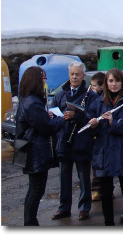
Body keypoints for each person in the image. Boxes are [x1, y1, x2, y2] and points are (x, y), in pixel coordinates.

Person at [87, 68, 123, 226]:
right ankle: (108, 224)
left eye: (117, 81)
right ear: (106, 83)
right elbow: (89, 122)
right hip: (104, 151)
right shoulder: (98, 102)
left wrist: (114, 123)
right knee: (105, 192)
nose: (114, 84)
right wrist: (93, 125)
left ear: (122, 82)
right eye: (110, 81)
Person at [51, 62, 98, 221]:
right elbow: (53, 112)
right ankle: (64, 208)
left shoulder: (91, 95)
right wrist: (55, 116)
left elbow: (94, 115)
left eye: (78, 74)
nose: (74, 77)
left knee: (83, 177)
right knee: (64, 177)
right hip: (65, 139)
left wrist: (76, 116)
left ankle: (84, 208)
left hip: (82, 140)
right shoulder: (60, 95)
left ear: (83, 76)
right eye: (72, 74)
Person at [17, 66, 62, 226]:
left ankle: (30, 222)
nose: (45, 81)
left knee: (35, 189)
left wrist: (45, 115)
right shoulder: (33, 102)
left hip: (31, 149)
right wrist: (61, 120)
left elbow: (38, 121)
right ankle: (30, 223)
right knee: (36, 190)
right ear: (36, 79)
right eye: (43, 78)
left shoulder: (28, 99)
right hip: (34, 151)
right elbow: (46, 127)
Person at [90, 71, 106, 202]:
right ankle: (97, 189)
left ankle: (105, 190)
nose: (92, 88)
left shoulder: (102, 98)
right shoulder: (93, 98)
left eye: (94, 85)